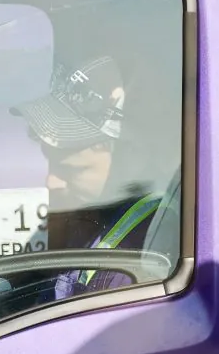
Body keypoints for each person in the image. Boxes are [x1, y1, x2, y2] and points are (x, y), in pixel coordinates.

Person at [16, 56, 165, 252]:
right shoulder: (84, 217)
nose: (51, 182)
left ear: (131, 160)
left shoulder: (148, 244)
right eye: (50, 162)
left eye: (72, 170)